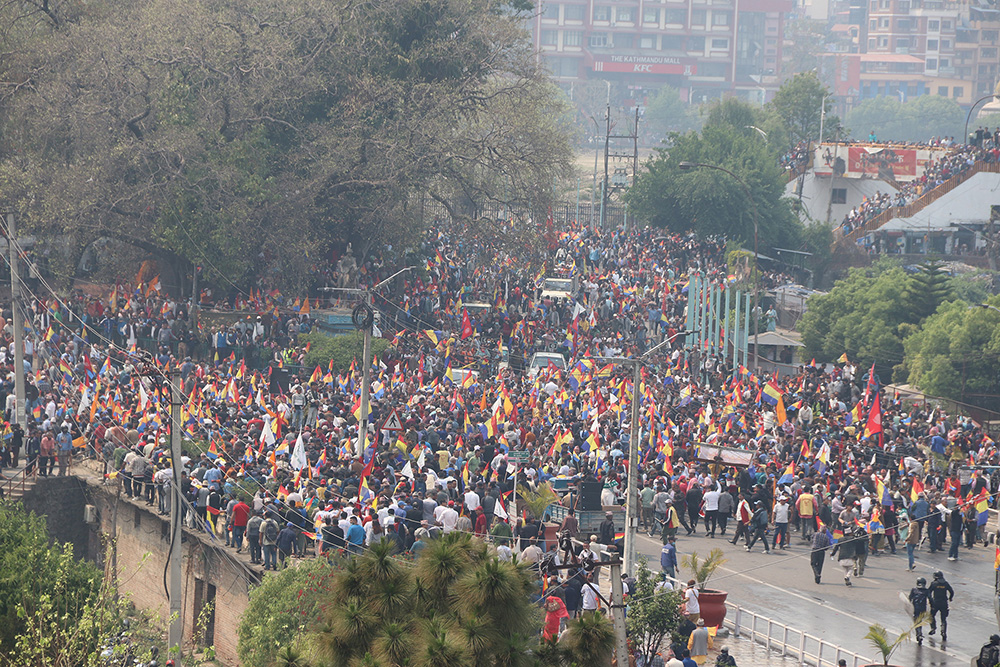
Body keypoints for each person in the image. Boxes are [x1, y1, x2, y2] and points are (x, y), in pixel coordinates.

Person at [928, 570, 954, 641]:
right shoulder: (945, 584)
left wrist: (930, 600)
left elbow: (928, 592)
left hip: (935, 603)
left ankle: (933, 628)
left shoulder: (934, 584)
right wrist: (950, 598)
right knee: (943, 619)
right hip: (944, 603)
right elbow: (951, 591)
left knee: (931, 616)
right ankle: (943, 632)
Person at [909, 577, 929, 645]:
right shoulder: (926, 591)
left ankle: (919, 634)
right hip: (923, 609)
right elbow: (931, 599)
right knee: (920, 621)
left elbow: (910, 598)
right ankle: (919, 634)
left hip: (916, 609)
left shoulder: (914, 590)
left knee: (916, 622)